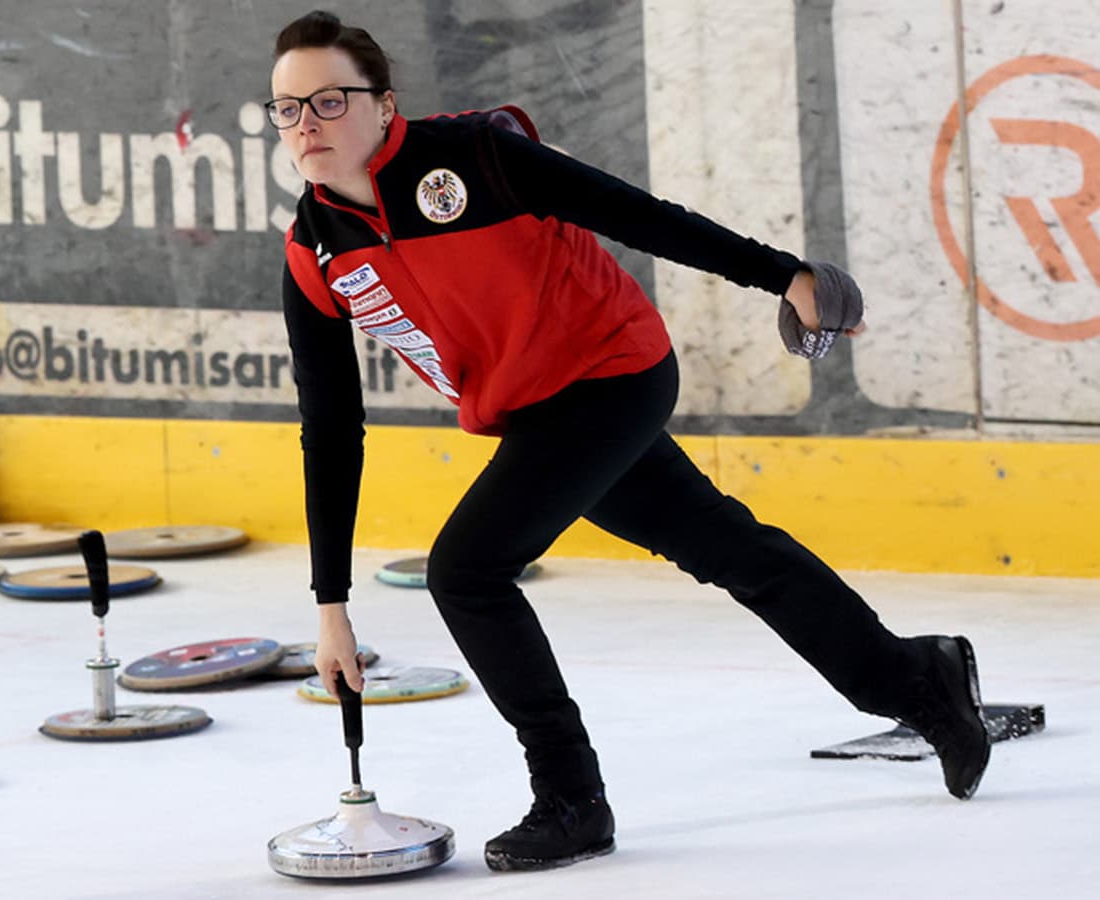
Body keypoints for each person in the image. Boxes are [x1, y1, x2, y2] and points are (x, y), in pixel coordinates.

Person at [267, 10, 991, 873]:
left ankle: (571, 798)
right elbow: (332, 430)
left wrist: (788, 275)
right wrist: (331, 603)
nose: (306, 123)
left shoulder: (475, 158)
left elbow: (642, 217)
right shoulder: (316, 251)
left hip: (614, 375)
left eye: (328, 100)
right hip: (536, 412)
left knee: (467, 571)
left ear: (385, 106)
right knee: (729, 548)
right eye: (286, 108)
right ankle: (920, 681)